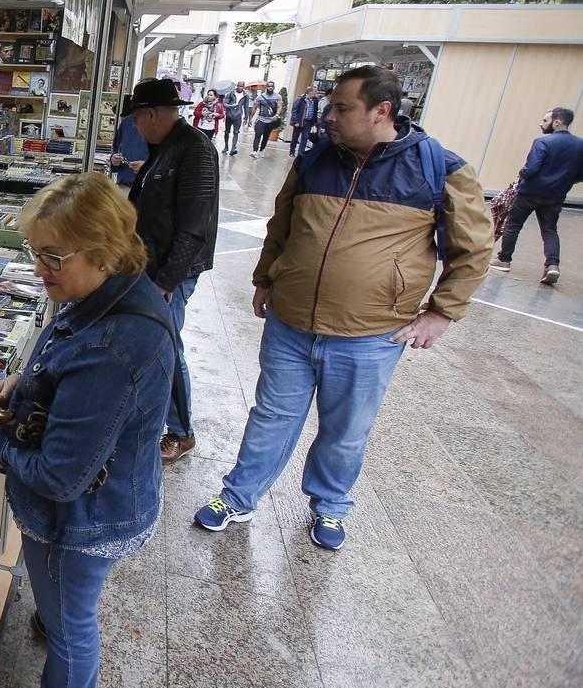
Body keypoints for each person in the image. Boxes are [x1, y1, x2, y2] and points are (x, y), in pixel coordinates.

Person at [194, 65, 493, 550]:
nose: (329, 116)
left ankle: (330, 507)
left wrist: (441, 312)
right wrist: (266, 278)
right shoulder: (315, 159)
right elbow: (282, 225)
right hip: (291, 324)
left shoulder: (440, 167)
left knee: (346, 430)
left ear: (382, 111)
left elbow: (474, 249)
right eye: (331, 106)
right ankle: (238, 496)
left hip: (371, 335)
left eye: (342, 108)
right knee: (271, 415)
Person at [0, 173, 172, 688]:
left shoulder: (112, 345)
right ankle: (55, 617)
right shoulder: (112, 290)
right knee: (67, 603)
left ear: (102, 252)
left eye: (52, 257)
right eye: (36, 253)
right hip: (107, 501)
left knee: (73, 623)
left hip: (83, 519)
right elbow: (69, 367)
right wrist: (26, 384)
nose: (38, 270)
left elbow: (60, 478)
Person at [125, 77, 219, 465]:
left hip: (169, 273)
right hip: (152, 264)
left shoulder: (194, 150)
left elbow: (195, 225)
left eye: (136, 118)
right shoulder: (165, 148)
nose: (133, 126)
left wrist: (168, 280)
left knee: (168, 347)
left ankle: (181, 431)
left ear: (149, 114)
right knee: (156, 343)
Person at [490, 107, 583, 284]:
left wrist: (522, 173)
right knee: (549, 230)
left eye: (545, 121)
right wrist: (565, 180)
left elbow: (531, 168)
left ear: (557, 122)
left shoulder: (542, 142)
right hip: (556, 195)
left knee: (513, 225)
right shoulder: (580, 145)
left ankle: (504, 259)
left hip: (530, 192)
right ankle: (552, 265)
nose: (542, 124)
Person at [109, 95, 149, 188]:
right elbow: (116, 150)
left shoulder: (163, 127)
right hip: (124, 185)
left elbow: (169, 163)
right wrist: (114, 160)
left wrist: (147, 168)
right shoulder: (126, 123)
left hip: (148, 188)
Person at [249, 81, 282, 157]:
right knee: (258, 134)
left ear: (274, 87)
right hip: (261, 119)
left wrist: (277, 115)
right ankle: (254, 151)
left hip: (271, 120)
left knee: (266, 136)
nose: (270, 87)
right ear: (266, 87)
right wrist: (250, 118)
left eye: (272, 86)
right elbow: (255, 107)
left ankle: (261, 150)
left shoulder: (278, 97)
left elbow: (279, 106)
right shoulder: (260, 97)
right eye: (269, 86)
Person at [288, 86, 321, 158]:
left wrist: (314, 123)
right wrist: (296, 121)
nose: (316, 93)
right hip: (299, 121)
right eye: (315, 91)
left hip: (308, 122)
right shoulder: (301, 99)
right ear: (310, 92)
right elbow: (294, 110)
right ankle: (292, 151)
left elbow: (315, 111)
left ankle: (300, 153)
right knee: (295, 137)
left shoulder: (315, 100)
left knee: (305, 137)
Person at [220, 82, 248, 155]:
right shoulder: (231, 93)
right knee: (227, 131)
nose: (240, 88)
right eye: (239, 86)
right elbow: (225, 103)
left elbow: (246, 106)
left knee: (236, 132)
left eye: (242, 86)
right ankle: (226, 146)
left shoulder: (245, 95)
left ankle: (233, 148)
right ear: (237, 86)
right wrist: (231, 106)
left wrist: (246, 117)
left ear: (243, 87)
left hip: (238, 116)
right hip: (229, 115)